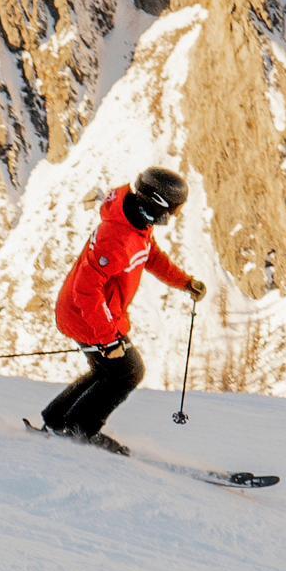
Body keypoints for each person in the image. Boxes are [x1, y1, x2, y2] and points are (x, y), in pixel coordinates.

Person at [38, 160, 203, 446]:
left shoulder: (136, 220)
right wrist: (107, 340)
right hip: (86, 315)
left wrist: (184, 282)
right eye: (173, 209)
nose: (175, 215)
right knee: (127, 371)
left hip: (95, 313)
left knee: (110, 371)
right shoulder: (117, 238)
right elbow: (86, 291)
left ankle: (57, 419)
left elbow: (149, 254)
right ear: (158, 204)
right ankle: (80, 428)